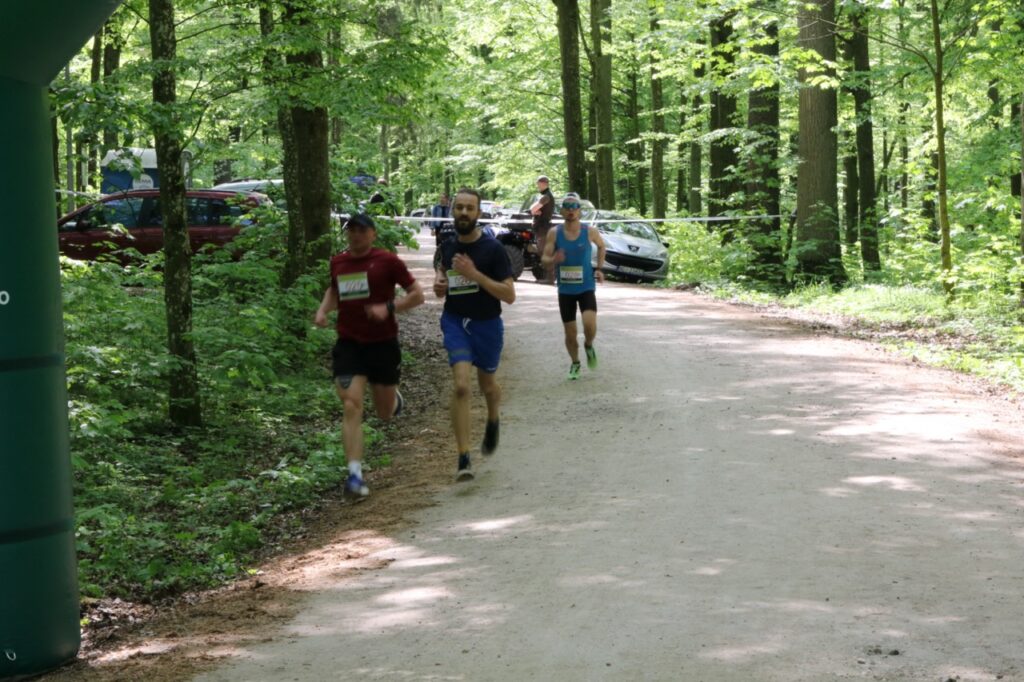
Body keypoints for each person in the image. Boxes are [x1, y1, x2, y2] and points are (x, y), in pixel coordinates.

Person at [314, 213, 425, 498]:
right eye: (351, 230)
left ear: (373, 234)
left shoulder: (387, 261)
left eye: (362, 230)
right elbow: (334, 289)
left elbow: (417, 295)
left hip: (383, 343)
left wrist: (388, 308)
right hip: (349, 344)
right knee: (351, 405)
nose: (355, 235)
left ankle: (393, 398)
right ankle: (354, 475)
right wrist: (324, 309)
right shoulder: (338, 261)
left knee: (384, 413)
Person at [432, 188, 516, 481]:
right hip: (455, 321)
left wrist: (475, 275)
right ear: (452, 211)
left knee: (488, 386)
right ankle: (463, 457)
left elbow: (509, 295)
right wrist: (440, 283)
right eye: (459, 208)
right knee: (461, 387)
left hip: (487, 324)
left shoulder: (492, 249)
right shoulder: (448, 244)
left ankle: (493, 418)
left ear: (479, 214)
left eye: (470, 208)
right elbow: (442, 275)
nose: (464, 213)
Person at [541, 192, 606, 380]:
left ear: (579, 211)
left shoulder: (589, 231)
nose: (570, 211)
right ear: (561, 211)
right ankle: (575, 362)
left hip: (586, 287)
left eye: (574, 207)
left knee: (589, 324)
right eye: (567, 207)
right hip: (565, 290)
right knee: (570, 334)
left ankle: (588, 345)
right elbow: (544, 259)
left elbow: (602, 246)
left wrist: (599, 269)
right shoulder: (555, 232)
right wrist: (554, 259)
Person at [529, 175, 555, 283]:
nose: (537, 186)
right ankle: (548, 277)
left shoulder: (545, 196)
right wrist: (536, 211)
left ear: (544, 183)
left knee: (544, 252)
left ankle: (550, 279)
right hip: (542, 228)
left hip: (543, 228)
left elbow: (532, 208)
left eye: (538, 183)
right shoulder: (545, 196)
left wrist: (535, 211)